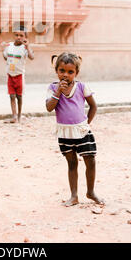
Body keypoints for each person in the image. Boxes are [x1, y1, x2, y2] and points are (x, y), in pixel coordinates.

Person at [46, 52, 104, 207]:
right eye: (62, 71)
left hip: (82, 131)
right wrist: (58, 92)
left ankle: (91, 192)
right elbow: (49, 108)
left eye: (70, 72)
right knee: (72, 163)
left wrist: (87, 123)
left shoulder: (82, 87)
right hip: (65, 132)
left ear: (76, 73)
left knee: (90, 160)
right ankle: (74, 196)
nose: (65, 75)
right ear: (56, 71)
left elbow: (93, 106)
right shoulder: (52, 88)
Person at [2, 29, 34, 123]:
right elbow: (5, 57)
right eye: (16, 35)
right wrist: (2, 49)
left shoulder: (24, 48)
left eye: (21, 35)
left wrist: (27, 46)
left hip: (19, 75)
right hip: (10, 75)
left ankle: (19, 115)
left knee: (19, 97)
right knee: (11, 96)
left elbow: (32, 57)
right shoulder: (9, 46)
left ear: (25, 37)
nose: (18, 37)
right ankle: (14, 116)